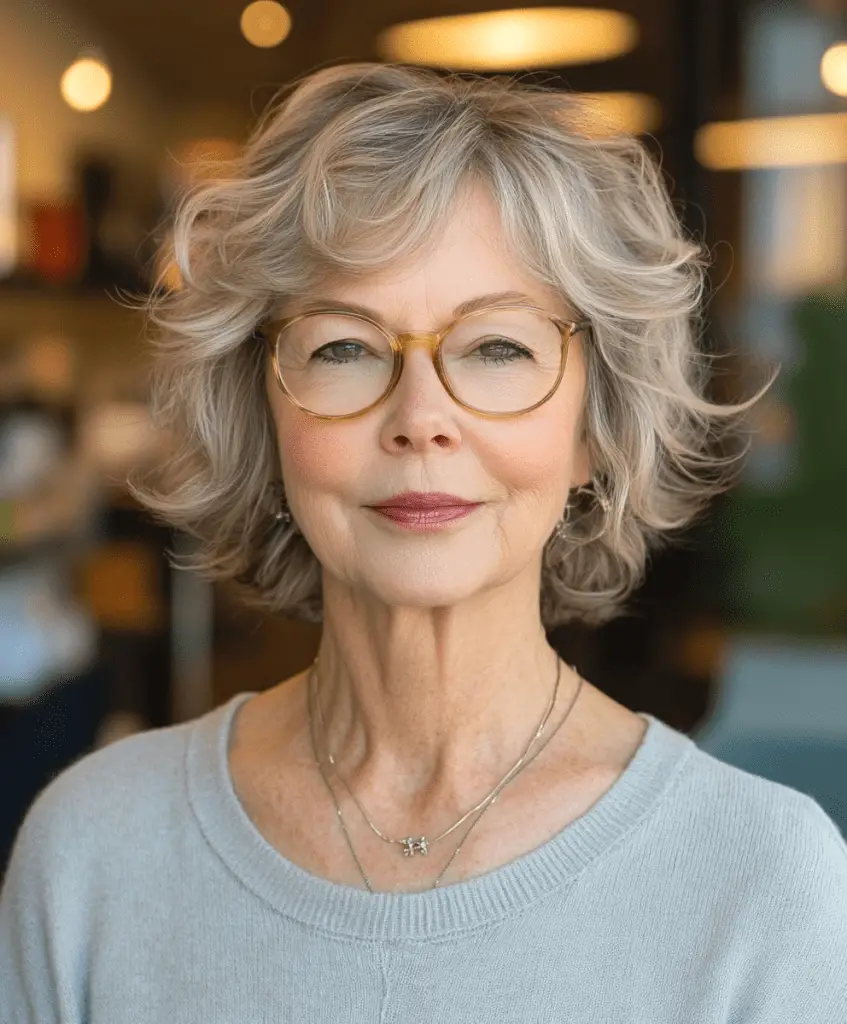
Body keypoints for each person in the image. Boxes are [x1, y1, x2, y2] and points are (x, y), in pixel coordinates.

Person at [2, 62, 845, 1023]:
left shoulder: (764, 884)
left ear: (592, 429)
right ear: (264, 418)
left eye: (496, 349)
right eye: (344, 347)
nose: (421, 420)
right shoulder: (92, 853)